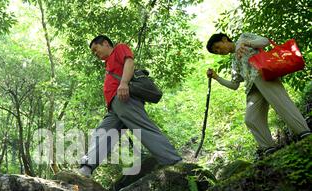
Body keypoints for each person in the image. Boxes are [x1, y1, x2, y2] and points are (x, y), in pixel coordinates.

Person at [78, 35, 181, 177]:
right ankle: (86, 168)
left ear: (105, 43)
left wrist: (124, 83)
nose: (95, 54)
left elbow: (129, 63)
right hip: (115, 108)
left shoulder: (119, 48)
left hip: (124, 99)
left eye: (96, 49)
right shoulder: (108, 64)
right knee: (103, 132)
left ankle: (175, 161)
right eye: (93, 53)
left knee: (143, 127)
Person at [206, 32, 311, 158]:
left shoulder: (243, 38)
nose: (219, 51)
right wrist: (217, 78)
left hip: (263, 76)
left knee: (282, 105)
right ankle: (270, 151)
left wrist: (246, 43)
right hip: (252, 88)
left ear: (224, 39)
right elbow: (234, 85)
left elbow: (265, 41)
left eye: (217, 47)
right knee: (251, 119)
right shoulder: (234, 62)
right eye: (216, 52)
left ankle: (305, 135)